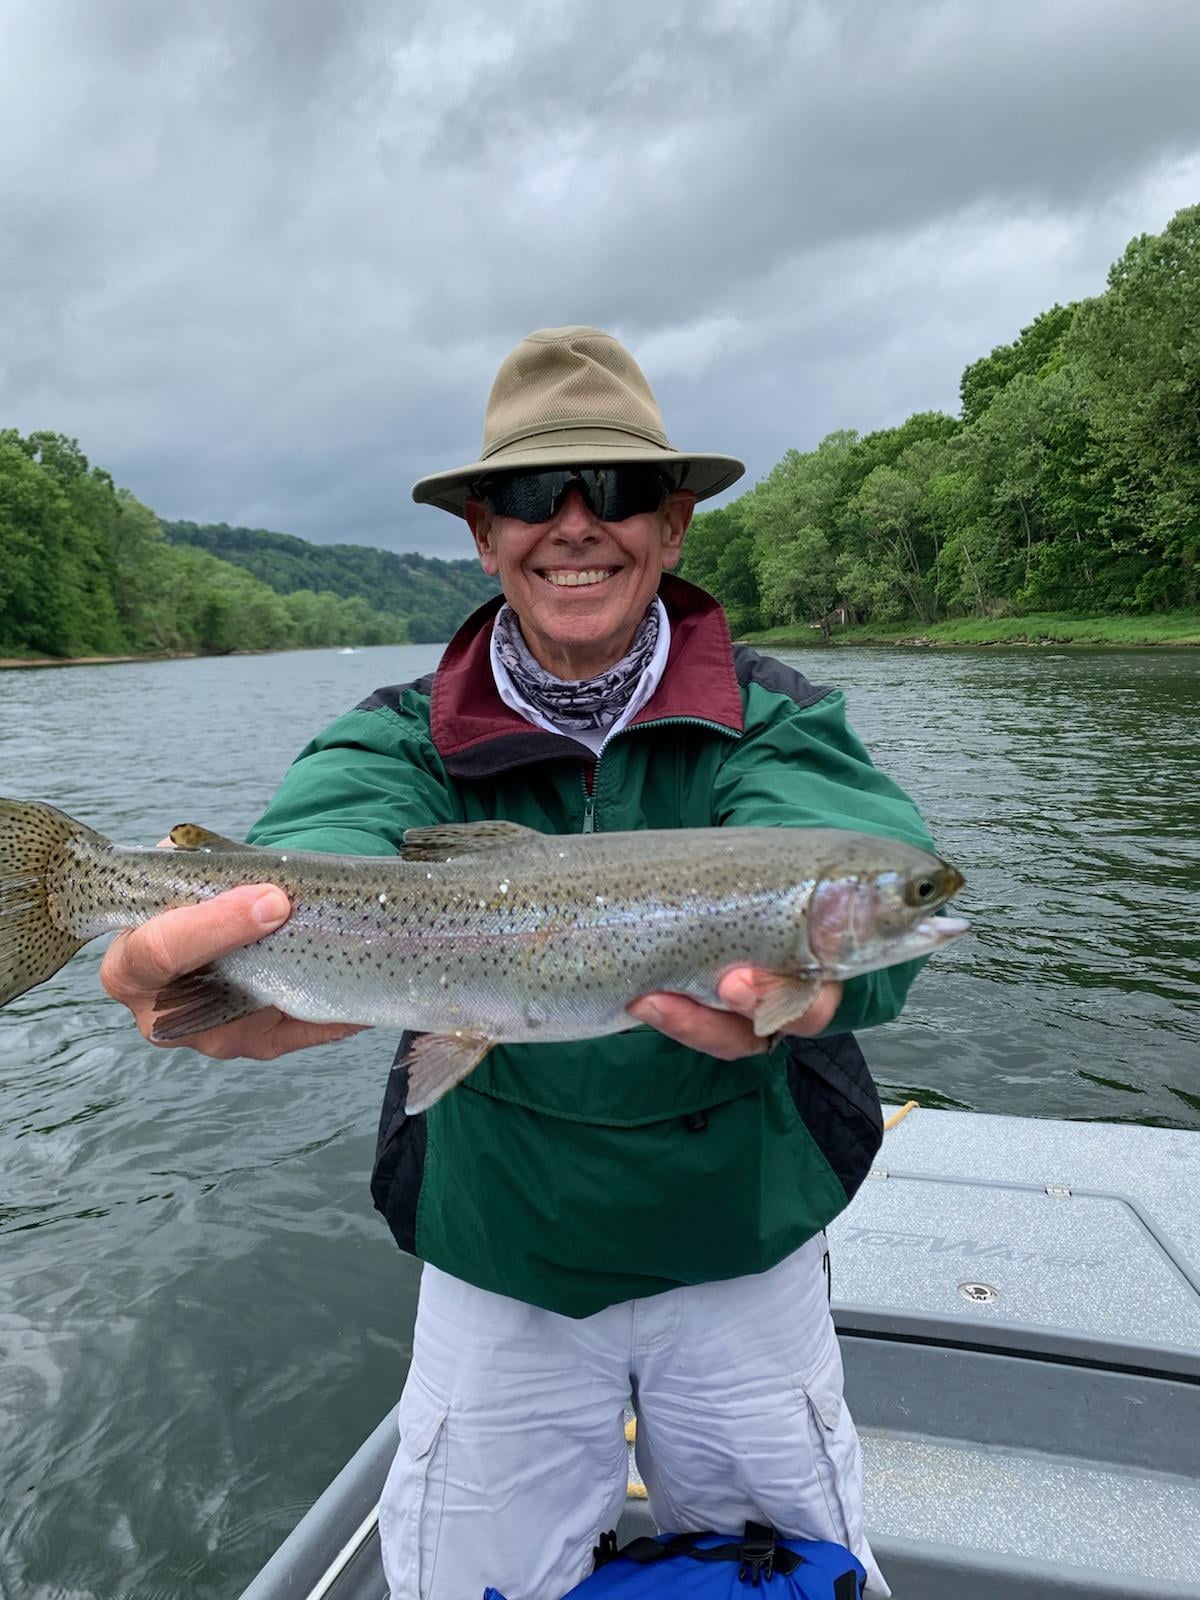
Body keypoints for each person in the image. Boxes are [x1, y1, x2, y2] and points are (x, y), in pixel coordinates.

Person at [101, 326, 939, 1600]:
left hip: (742, 1242)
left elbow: (879, 898)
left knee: (799, 1575)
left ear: (672, 525)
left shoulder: (774, 717)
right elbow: (316, 846)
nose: (571, 525)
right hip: (499, 1248)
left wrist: (820, 988)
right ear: (484, 536)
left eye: (608, 492)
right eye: (528, 498)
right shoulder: (394, 738)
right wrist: (211, 963)